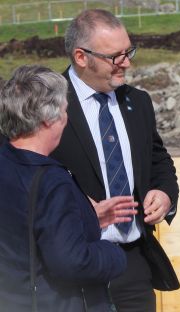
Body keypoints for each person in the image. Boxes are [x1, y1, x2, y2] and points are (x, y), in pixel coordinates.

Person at [50, 9, 179, 312]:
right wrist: (80, 211)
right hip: (70, 264)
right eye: (116, 56)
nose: (127, 63)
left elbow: (159, 160)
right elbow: (22, 176)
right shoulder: (44, 103)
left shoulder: (139, 102)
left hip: (133, 263)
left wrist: (164, 193)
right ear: (81, 57)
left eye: (129, 51)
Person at [0, 65, 127, 311]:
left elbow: (26, 227)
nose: (66, 119)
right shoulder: (51, 180)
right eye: (65, 110)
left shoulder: (6, 161)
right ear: (49, 119)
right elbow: (71, 262)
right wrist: (113, 254)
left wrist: (85, 220)